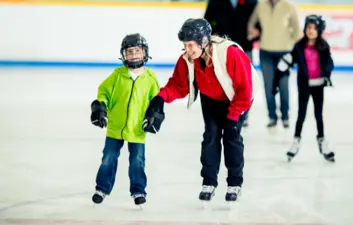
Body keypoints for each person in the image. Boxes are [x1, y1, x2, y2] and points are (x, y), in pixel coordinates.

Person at [144, 18, 259, 202]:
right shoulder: (188, 59)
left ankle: (234, 183)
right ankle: (209, 182)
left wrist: (234, 116)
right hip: (211, 100)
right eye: (185, 45)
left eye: (191, 45)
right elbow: (179, 85)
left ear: (204, 42)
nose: (187, 50)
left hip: (236, 99)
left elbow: (245, 89)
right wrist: (160, 98)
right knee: (211, 136)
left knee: (232, 137)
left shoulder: (230, 53)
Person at [90, 33, 160, 206]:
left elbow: (157, 102)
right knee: (108, 157)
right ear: (123, 54)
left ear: (145, 53)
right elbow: (103, 92)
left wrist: (154, 116)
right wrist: (100, 107)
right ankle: (102, 188)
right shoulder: (118, 74)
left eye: (137, 50)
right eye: (129, 51)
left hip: (137, 129)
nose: (134, 54)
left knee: (137, 160)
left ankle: (138, 191)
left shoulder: (150, 79)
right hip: (115, 126)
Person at [276, 15, 335, 162]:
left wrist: (327, 74)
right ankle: (296, 141)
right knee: (301, 115)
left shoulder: (324, 46)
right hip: (304, 85)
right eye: (309, 27)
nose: (311, 31)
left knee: (318, 115)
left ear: (320, 30)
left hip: (318, 85)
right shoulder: (299, 46)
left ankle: (322, 141)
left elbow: (329, 63)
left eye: (314, 28)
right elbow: (291, 58)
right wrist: (281, 69)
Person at [247, 0, 301, 129]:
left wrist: (295, 49)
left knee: (283, 84)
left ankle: (285, 117)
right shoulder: (261, 5)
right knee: (268, 86)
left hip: (285, 52)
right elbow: (251, 23)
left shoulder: (289, 6)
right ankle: (272, 116)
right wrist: (253, 31)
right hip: (265, 51)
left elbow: (297, 31)